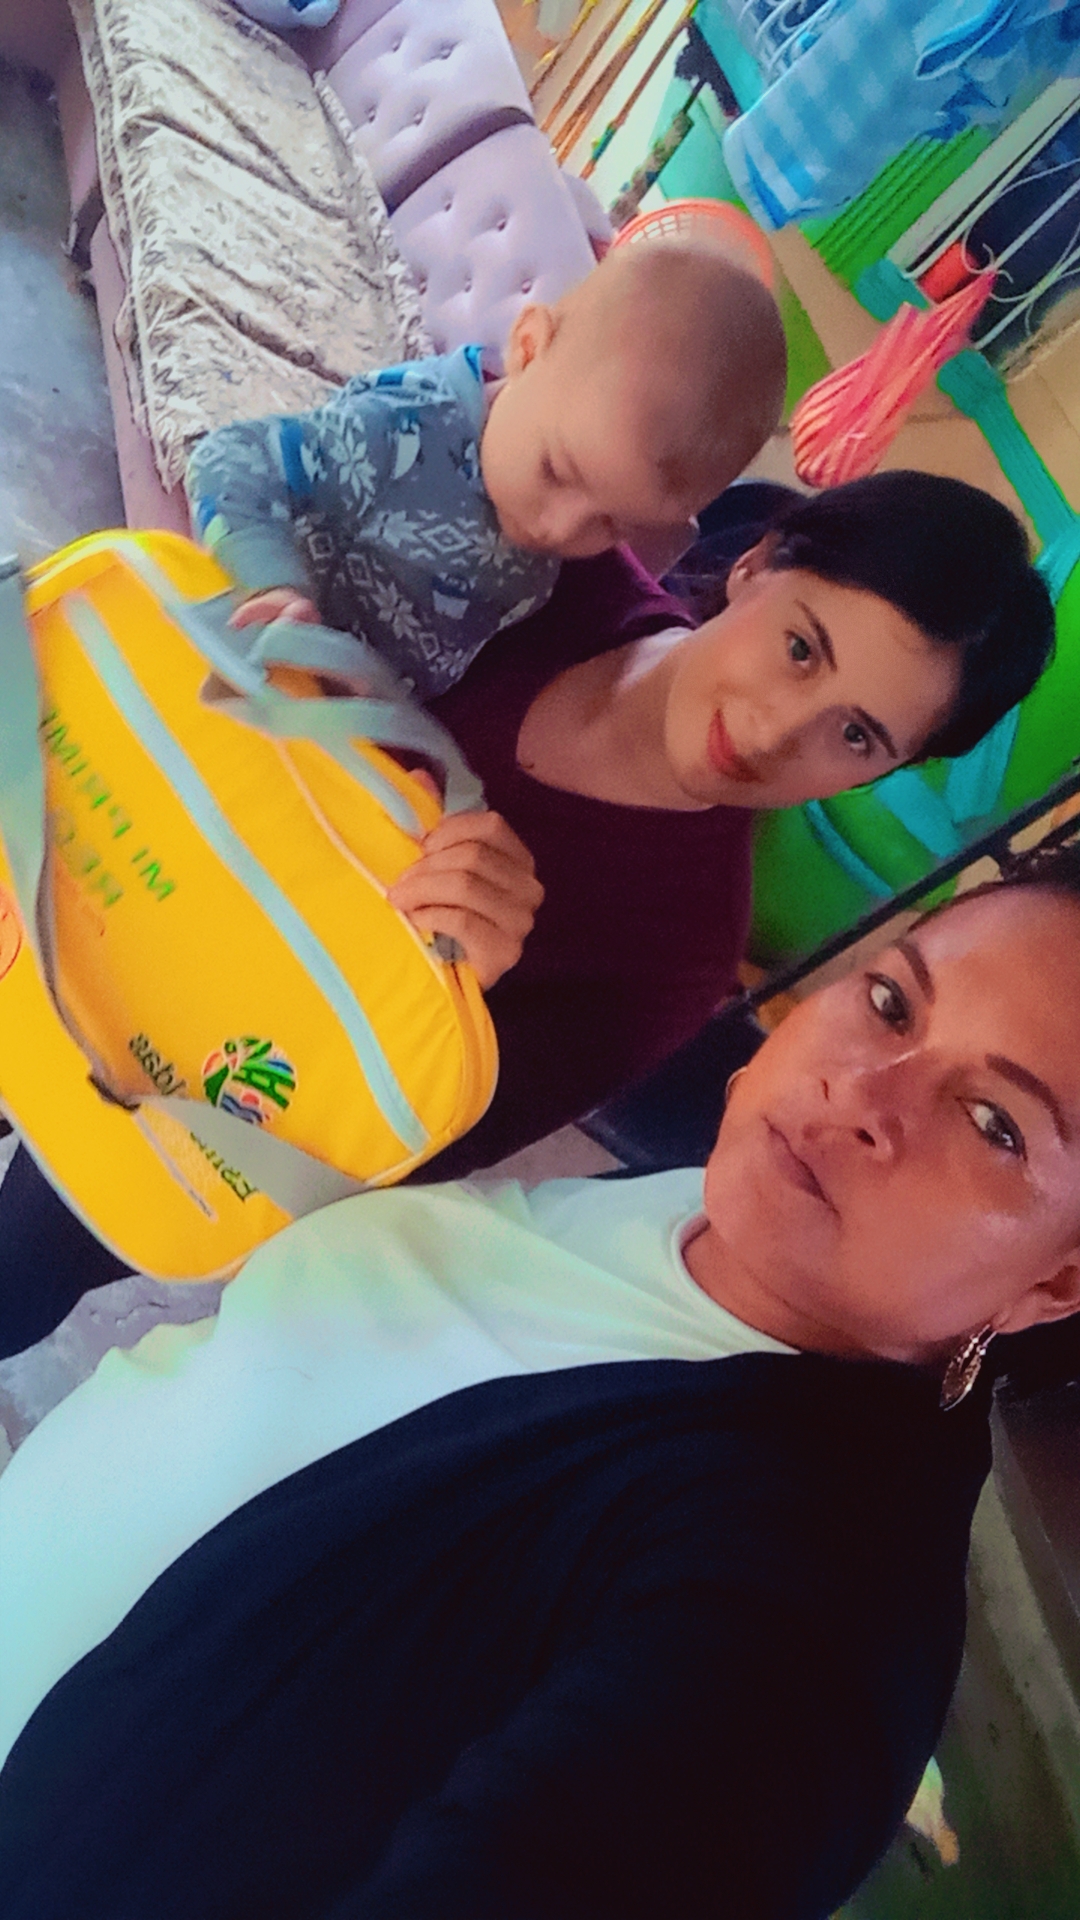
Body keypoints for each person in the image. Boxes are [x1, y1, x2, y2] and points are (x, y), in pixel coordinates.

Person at [4, 842, 1080, 1920]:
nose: (863, 1093)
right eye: (892, 1003)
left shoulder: (814, 1617)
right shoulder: (725, 1216)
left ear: (1057, 1281)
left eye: (995, 1126)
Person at [0, 470, 1055, 1357]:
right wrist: (274, 597)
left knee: (22, 1261)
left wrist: (450, 995)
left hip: (157, 1074)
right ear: (757, 564)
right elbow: (259, 482)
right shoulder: (542, 565)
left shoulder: (678, 950)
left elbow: (379, 1172)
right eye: (801, 648)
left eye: (856, 736)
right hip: (73, 864)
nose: (780, 729)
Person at [185, 240, 788, 699]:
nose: (556, 529)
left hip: (348, 727)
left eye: (610, 524)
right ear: (527, 347)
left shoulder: (555, 490)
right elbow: (230, 458)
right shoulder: (404, 431)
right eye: (557, 471)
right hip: (249, 662)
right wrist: (274, 583)